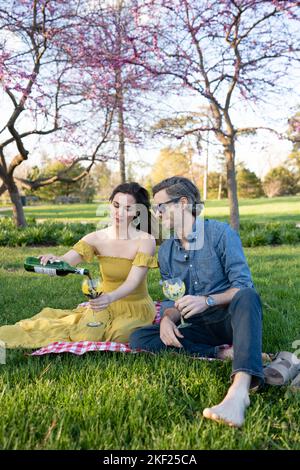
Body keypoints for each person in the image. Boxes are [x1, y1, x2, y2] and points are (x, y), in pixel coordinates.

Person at [130, 176, 264, 428]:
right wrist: (167, 319)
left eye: (161, 207)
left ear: (182, 203)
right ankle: (222, 353)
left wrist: (208, 300)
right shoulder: (166, 250)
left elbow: (243, 286)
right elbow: (173, 297)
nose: (156, 214)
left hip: (230, 320)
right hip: (197, 326)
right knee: (140, 338)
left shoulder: (220, 234)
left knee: (248, 297)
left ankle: (240, 390)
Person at [0, 182, 157, 348]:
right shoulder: (95, 237)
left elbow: (133, 282)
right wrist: (54, 260)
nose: (120, 213)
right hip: (102, 303)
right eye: (116, 205)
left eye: (128, 208)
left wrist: (109, 297)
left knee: (119, 335)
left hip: (135, 306)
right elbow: (67, 261)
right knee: (86, 335)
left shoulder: (146, 240)